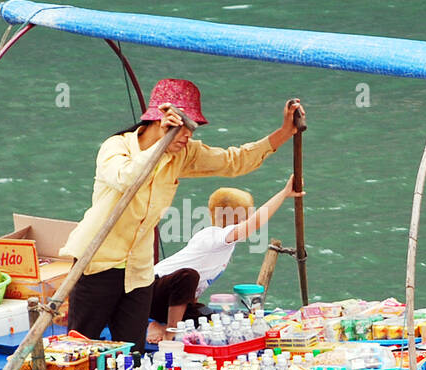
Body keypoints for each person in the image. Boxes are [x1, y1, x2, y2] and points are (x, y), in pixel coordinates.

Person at [61, 78, 302, 355]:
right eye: (183, 128)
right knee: (80, 348)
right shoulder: (117, 147)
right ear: (160, 121)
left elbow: (233, 160)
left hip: (139, 272)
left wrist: (285, 132)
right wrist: (160, 147)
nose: (188, 136)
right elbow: (127, 179)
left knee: (133, 353)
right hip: (98, 263)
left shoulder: (183, 154)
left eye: (191, 128)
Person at [146, 175, 303, 342]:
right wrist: (284, 193)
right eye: (246, 215)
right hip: (152, 290)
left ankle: (159, 324)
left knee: (214, 320)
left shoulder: (224, 244)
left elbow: (192, 291)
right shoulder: (215, 235)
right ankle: (170, 332)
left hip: (169, 300)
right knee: (188, 275)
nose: (247, 219)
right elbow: (254, 224)